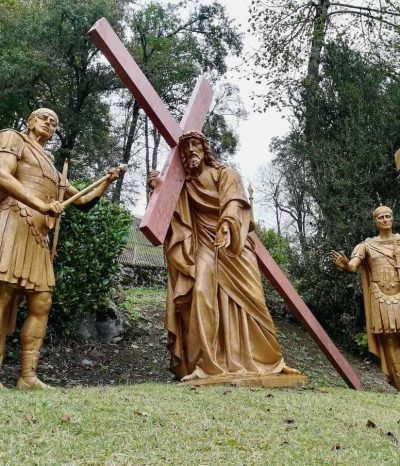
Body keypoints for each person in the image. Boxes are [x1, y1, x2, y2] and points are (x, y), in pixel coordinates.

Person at [150, 131, 297, 381]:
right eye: (185, 149)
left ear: (205, 149)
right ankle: (205, 364)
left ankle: (271, 360)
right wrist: (157, 189)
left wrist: (227, 225)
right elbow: (168, 217)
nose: (190, 151)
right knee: (200, 293)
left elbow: (234, 202)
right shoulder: (184, 186)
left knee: (255, 302)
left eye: (195, 145)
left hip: (234, 247)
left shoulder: (225, 173)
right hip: (204, 247)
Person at [0, 108, 121, 389]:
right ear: (30, 121)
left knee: (42, 301)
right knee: (3, 297)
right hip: (12, 224)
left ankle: (28, 377)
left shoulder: (52, 167)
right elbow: (3, 175)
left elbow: (81, 200)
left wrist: (105, 183)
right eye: (44, 118)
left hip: (37, 236)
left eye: (54, 123)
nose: (49, 124)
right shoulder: (12, 138)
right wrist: (40, 204)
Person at [331, 206, 400, 389]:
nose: (385, 220)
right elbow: (354, 266)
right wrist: (345, 264)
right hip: (381, 298)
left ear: (393, 219)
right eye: (381, 217)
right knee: (390, 340)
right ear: (375, 222)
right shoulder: (366, 245)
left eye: (388, 216)